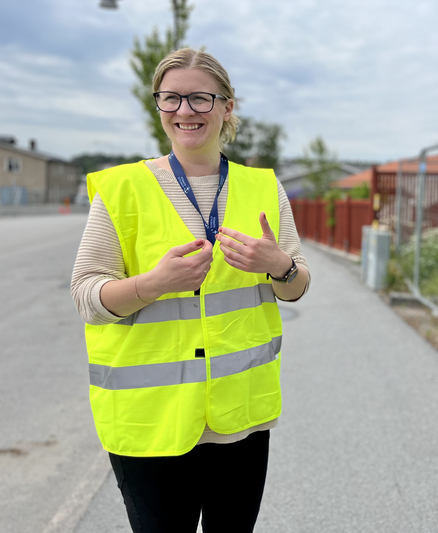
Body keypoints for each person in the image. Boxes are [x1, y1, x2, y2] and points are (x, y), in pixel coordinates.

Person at [71, 48, 310, 533]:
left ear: (227, 106)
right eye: (171, 99)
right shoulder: (122, 189)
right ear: (158, 107)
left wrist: (278, 266)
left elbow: (297, 286)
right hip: (150, 423)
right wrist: (153, 285)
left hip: (239, 419)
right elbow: (86, 296)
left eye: (200, 98)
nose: (185, 111)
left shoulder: (264, 187)